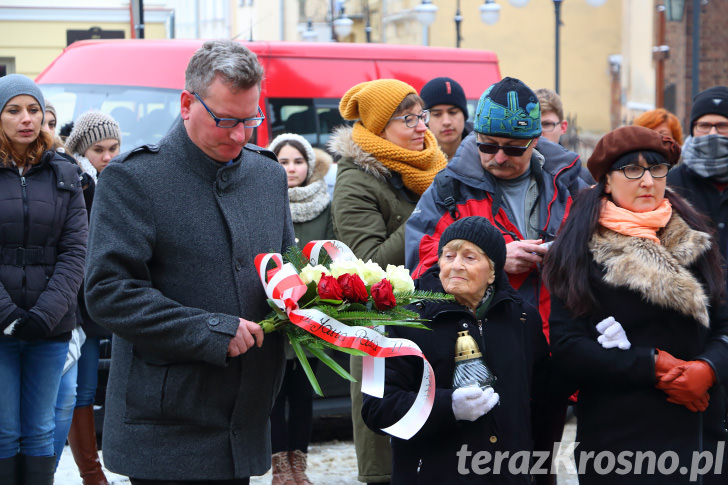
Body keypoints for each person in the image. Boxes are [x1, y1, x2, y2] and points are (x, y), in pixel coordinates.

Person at [84, 39, 295, 484]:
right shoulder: (132, 179)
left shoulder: (268, 175)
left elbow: (285, 276)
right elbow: (108, 294)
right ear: (186, 103)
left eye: (250, 119)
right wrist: (208, 330)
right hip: (166, 426)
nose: (239, 135)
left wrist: (329, 309)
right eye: (225, 120)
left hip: (246, 419)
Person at [405, 76, 585, 485]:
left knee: (540, 462)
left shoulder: (572, 178)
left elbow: (601, 246)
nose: (498, 157)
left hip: (553, 346)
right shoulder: (450, 184)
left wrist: (566, 257)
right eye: (487, 144)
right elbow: (421, 261)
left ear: (536, 141)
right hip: (481, 348)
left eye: (512, 148)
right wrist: (497, 261)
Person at [544, 125, 728, 483]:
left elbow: (724, 324)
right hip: (619, 442)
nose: (647, 181)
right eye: (632, 170)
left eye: (656, 169)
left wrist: (707, 370)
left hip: (700, 435)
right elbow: (568, 347)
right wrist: (651, 365)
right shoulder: (580, 249)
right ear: (607, 182)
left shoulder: (696, 239)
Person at [362, 216, 555, 483]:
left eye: (470, 258)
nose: (456, 266)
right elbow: (377, 411)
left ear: (493, 271)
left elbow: (543, 405)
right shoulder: (404, 321)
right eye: (448, 256)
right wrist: (446, 406)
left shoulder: (522, 318)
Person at [328, 79, 448, 484]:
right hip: (385, 328)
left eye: (422, 116)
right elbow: (370, 263)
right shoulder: (355, 179)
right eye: (408, 119)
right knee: (390, 456)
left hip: (437, 317)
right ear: (380, 128)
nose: (422, 128)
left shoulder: (432, 167)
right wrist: (427, 209)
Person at [0, 74, 88, 484]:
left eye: (33, 110)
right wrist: (7, 314)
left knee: (39, 433)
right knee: (3, 434)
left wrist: (43, 316)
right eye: (14, 110)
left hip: (50, 328)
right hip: (0, 328)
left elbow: (75, 253)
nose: (26, 119)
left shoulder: (64, 172)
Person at [267, 133, 334, 485]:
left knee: (304, 391)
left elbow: (336, 252)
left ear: (309, 165)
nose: (291, 169)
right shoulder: (263, 201)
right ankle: (280, 469)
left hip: (313, 310)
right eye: (283, 162)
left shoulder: (325, 203)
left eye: (298, 161)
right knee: (276, 391)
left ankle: (300, 467)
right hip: (274, 311)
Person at [60, 111, 122, 485]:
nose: (108, 155)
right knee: (75, 390)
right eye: (99, 149)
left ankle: (93, 472)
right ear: (83, 150)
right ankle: (91, 473)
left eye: (114, 147)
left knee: (86, 387)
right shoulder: (78, 182)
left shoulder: (109, 179)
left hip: (98, 296)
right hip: (74, 297)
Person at [667, 86, 728, 262]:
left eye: (723, 126)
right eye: (704, 125)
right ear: (693, 129)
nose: (713, 133)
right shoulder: (672, 184)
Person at [420, 76, 472, 161]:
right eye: (437, 114)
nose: (446, 122)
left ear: (464, 116)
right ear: (425, 119)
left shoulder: (486, 151)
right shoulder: (413, 158)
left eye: (453, 112)